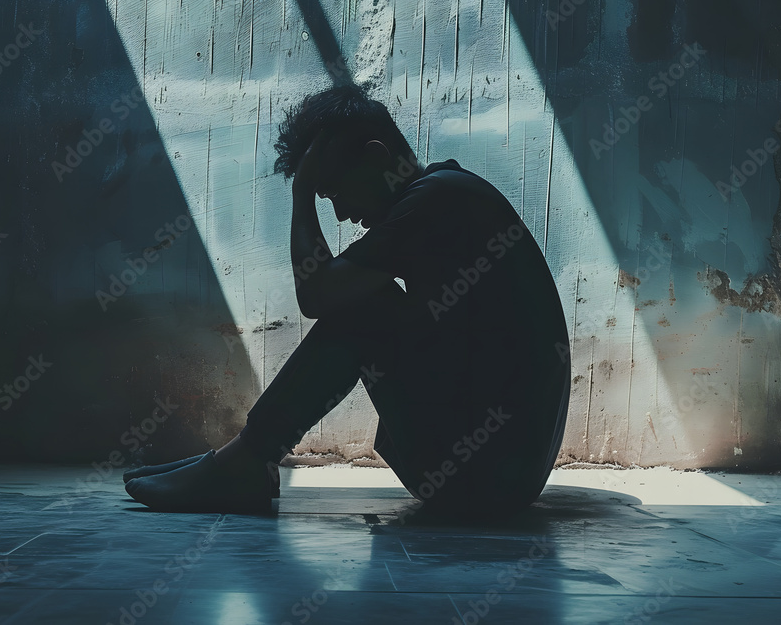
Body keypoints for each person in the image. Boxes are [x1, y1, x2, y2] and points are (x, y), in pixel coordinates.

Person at [124, 84, 571, 518]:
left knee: (362, 307)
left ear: (376, 157)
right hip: (500, 471)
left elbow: (316, 294)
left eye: (335, 192)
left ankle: (248, 461)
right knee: (367, 299)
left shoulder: (437, 200)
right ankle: (245, 457)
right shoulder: (447, 190)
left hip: (485, 478)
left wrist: (302, 194)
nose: (340, 214)